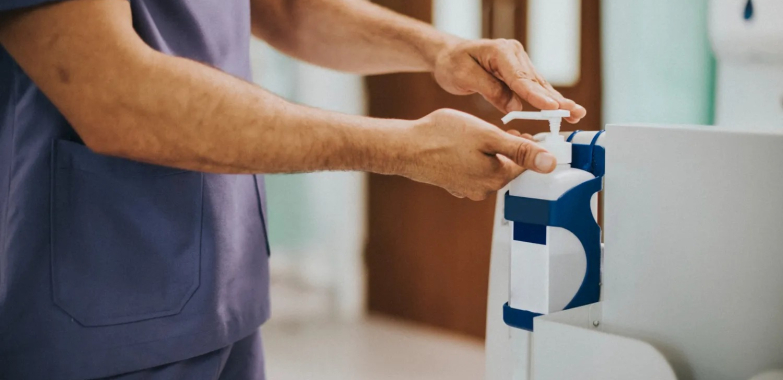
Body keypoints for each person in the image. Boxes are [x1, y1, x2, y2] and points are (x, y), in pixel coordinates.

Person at [0, 0, 586, 378]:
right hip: (95, 302)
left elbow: (278, 6)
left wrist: (438, 51)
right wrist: (405, 148)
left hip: (222, 291)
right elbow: (114, 92)